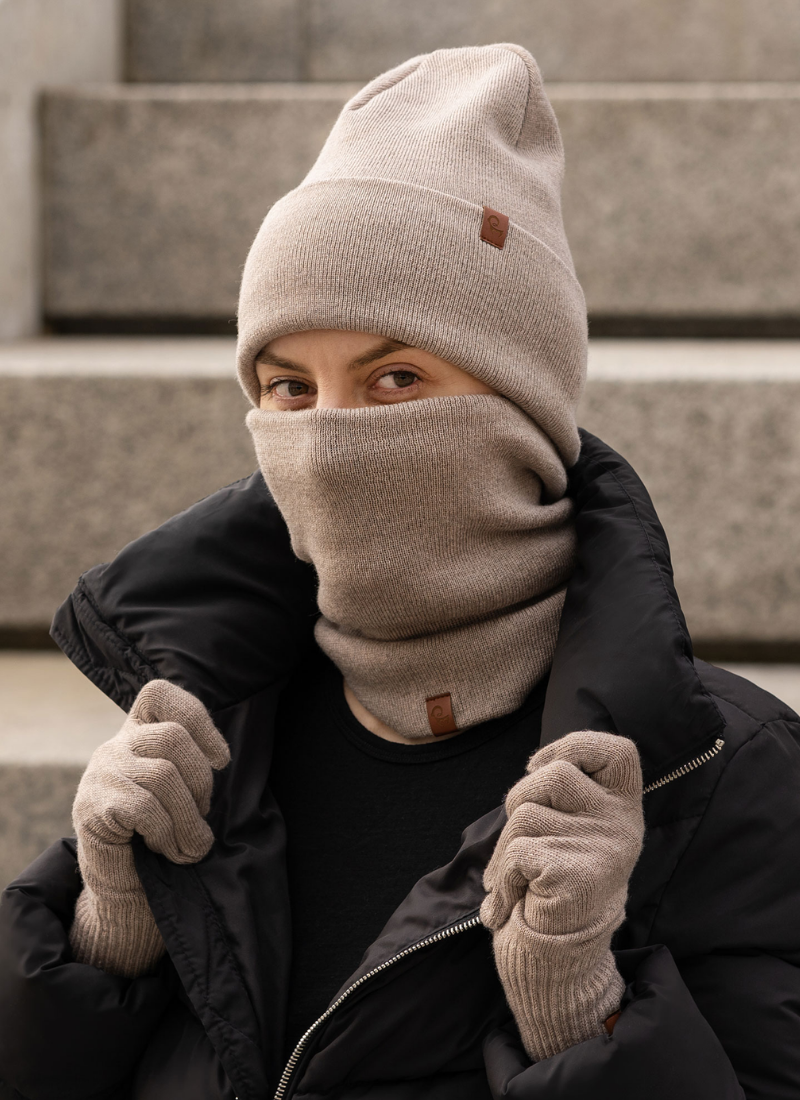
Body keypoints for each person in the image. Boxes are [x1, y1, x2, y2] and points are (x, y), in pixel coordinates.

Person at [1, 43, 799, 1100]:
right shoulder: (205, 730)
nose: (329, 438)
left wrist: (579, 1009)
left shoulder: (715, 773)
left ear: (521, 405)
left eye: (394, 376)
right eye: (289, 386)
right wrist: (103, 936)